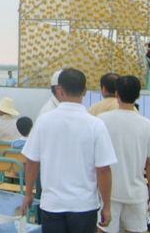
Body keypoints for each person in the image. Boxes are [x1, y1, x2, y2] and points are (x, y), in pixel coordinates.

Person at [21, 68, 117, 231]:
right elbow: (103, 169)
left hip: (52, 204)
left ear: (59, 89)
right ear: (85, 91)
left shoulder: (43, 121)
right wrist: (106, 206)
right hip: (84, 205)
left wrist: (28, 193)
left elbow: (32, 162)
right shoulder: (96, 125)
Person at [97, 75, 150, 233]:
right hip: (136, 193)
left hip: (107, 193)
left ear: (117, 94)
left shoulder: (101, 121)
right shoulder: (147, 125)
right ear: (138, 95)